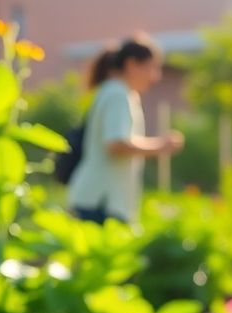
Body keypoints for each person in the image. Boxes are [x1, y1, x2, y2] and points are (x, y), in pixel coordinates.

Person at [68, 36, 183, 225]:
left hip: (97, 200)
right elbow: (116, 144)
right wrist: (161, 145)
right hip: (101, 202)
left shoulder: (116, 92)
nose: (156, 76)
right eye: (152, 67)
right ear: (131, 64)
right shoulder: (117, 94)